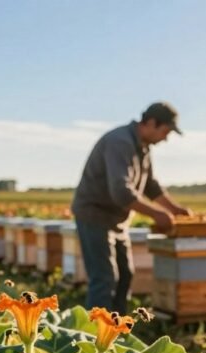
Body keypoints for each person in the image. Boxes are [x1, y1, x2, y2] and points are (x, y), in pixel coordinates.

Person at [71, 102, 192, 313]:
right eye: (165, 132)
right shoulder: (120, 142)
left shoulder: (143, 147)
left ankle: (116, 330)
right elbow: (121, 191)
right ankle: (94, 337)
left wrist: (174, 209)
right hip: (95, 216)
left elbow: (151, 186)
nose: (166, 138)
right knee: (104, 278)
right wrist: (156, 214)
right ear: (151, 123)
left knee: (125, 274)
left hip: (117, 220)